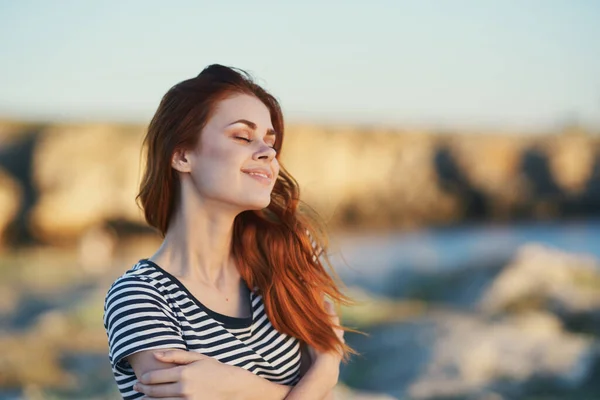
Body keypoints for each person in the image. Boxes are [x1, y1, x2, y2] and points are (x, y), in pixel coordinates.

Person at [103, 64, 355, 400]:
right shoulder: (140, 298)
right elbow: (326, 363)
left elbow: (330, 354)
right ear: (181, 155)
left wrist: (242, 388)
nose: (269, 153)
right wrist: (319, 376)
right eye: (242, 136)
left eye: (270, 141)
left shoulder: (285, 251)